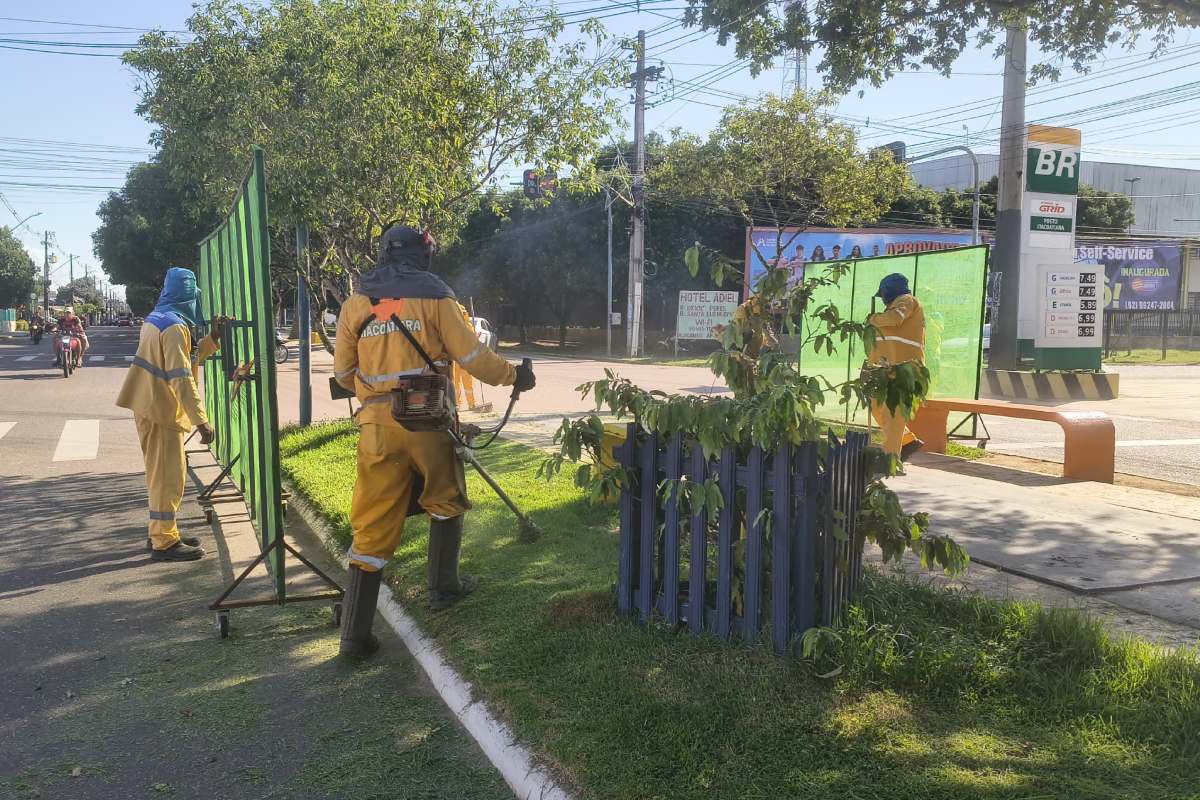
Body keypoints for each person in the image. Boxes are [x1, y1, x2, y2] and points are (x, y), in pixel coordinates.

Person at [333, 224, 536, 657]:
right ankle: (443, 588)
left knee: (372, 523)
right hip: (428, 422)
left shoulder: (356, 302)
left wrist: (378, 394)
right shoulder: (437, 297)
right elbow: (472, 356)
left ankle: (354, 635)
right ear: (422, 255)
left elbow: (343, 375)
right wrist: (514, 376)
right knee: (444, 499)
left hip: (376, 427)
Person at [116, 268, 223, 562]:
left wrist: (213, 338)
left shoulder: (157, 319)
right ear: (189, 294)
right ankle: (164, 541)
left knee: (161, 474)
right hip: (160, 411)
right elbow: (181, 378)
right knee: (167, 477)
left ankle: (162, 531)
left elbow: (185, 359)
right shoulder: (175, 328)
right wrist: (201, 421)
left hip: (150, 406)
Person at [865, 273, 925, 463]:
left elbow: (895, 318)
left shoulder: (907, 301)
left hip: (905, 370)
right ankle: (907, 441)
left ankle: (890, 460)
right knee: (877, 406)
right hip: (885, 370)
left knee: (894, 413)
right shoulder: (888, 312)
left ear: (887, 291)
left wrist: (873, 319)